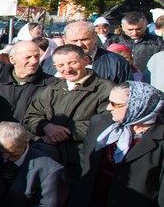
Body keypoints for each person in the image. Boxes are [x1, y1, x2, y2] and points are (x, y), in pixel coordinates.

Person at [24, 43, 114, 178]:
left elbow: (107, 121)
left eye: (72, 63)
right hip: (51, 158)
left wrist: (67, 132)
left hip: (84, 160)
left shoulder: (105, 89)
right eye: (61, 65)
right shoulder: (52, 88)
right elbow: (30, 116)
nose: (67, 69)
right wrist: (46, 126)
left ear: (86, 60)